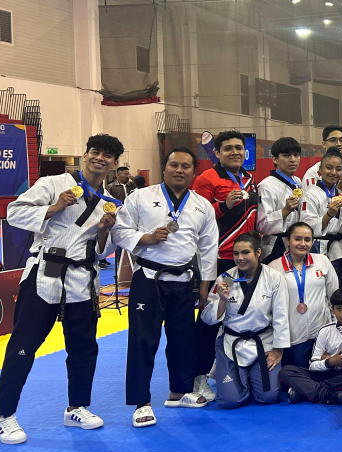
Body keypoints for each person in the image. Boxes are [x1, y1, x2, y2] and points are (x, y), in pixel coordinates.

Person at [0, 134, 122, 445]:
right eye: (95, 152)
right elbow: (14, 213)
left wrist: (104, 232)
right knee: (24, 345)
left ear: (115, 163)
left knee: (83, 347)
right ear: (85, 154)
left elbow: (106, 250)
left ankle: (77, 407)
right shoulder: (54, 183)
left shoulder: (110, 202)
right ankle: (4, 415)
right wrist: (53, 207)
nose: (100, 158)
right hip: (46, 272)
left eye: (108, 155)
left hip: (82, 277)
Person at [112, 147, 219, 427]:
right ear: (164, 168)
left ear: (194, 172)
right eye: (174, 165)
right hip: (149, 278)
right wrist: (145, 238)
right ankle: (141, 402)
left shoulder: (201, 205)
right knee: (143, 341)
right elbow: (119, 231)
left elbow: (208, 249)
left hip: (184, 280)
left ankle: (179, 391)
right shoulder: (140, 197)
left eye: (186, 166)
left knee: (184, 339)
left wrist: (205, 286)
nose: (179, 170)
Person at [191, 130, 260, 399]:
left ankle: (222, 364)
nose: (234, 152)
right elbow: (196, 216)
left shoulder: (249, 179)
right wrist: (221, 206)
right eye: (228, 148)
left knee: (241, 312)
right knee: (210, 318)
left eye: (239, 148)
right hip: (220, 261)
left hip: (247, 260)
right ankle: (198, 377)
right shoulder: (207, 178)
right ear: (217, 153)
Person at [201, 232, 289, 409]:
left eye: (245, 252)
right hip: (232, 342)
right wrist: (223, 301)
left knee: (269, 396)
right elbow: (207, 318)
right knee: (229, 401)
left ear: (258, 252)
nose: (240, 258)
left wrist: (278, 351)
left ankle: (246, 375)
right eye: (236, 253)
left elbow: (281, 315)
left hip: (262, 342)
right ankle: (232, 372)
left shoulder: (273, 277)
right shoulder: (226, 278)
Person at [268, 222, 340, 368]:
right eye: (297, 239)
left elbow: (335, 297)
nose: (303, 244)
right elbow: (269, 307)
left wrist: (334, 330)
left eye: (307, 240)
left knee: (324, 372)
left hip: (321, 333)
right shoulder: (273, 268)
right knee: (300, 376)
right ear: (287, 240)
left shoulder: (322, 261)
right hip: (293, 337)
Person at [279, 287, 342, 406]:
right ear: (332, 310)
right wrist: (330, 362)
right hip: (325, 372)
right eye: (339, 309)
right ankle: (333, 395)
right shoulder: (325, 331)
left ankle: (305, 391)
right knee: (286, 371)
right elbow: (313, 366)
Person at [302, 148, 342, 280]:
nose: (334, 172)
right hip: (318, 247)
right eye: (329, 168)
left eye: (338, 169)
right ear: (320, 169)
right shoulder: (311, 194)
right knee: (318, 286)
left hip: (339, 249)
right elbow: (307, 227)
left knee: (337, 287)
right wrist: (329, 215)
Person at [256, 137, 306, 263]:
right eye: (286, 155)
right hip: (275, 246)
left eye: (296, 155)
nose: (292, 159)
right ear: (274, 159)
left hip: (298, 243)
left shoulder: (298, 181)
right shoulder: (266, 186)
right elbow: (262, 225)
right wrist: (285, 211)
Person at [301, 124, 342, 189]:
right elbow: (311, 198)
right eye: (333, 140)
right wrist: (338, 189)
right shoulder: (313, 173)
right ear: (324, 144)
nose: (338, 144)